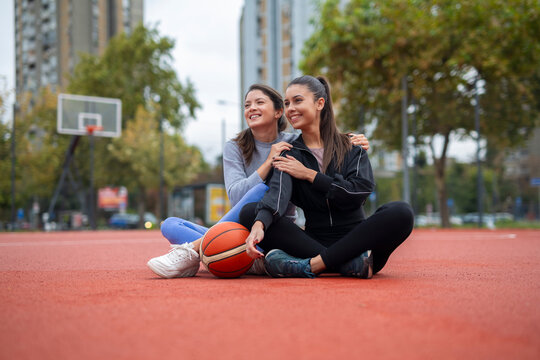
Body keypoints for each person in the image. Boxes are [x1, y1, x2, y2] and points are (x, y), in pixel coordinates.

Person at [147, 83, 370, 278]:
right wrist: (267, 164)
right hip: (244, 224)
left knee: (258, 196)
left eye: (259, 102)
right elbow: (237, 198)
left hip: (274, 228)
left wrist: (351, 139)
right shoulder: (234, 147)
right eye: (247, 105)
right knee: (170, 225)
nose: (251, 108)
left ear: (278, 112)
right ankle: (221, 251)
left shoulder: (294, 143)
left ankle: (197, 252)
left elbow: (323, 139)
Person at [238, 75, 414, 278]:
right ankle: (346, 264)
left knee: (401, 212)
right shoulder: (288, 154)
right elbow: (277, 196)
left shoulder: (351, 146)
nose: (290, 108)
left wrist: (310, 175)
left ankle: (314, 265)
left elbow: (357, 192)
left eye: (298, 100)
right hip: (312, 243)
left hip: (359, 241)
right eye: (287, 103)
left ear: (320, 103)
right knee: (251, 212)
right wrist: (259, 226)